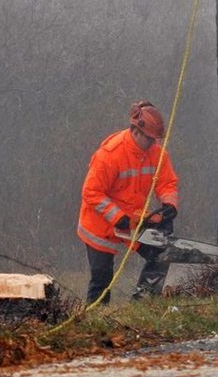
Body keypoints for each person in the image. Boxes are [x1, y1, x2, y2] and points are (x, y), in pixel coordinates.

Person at [77, 101, 179, 303]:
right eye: (150, 139)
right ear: (136, 131)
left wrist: (169, 205)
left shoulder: (157, 154)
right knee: (102, 278)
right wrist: (116, 216)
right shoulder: (110, 155)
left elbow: (167, 183)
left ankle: (142, 301)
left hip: (133, 219)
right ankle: (96, 317)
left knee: (162, 254)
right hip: (100, 224)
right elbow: (91, 192)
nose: (153, 144)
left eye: (155, 140)